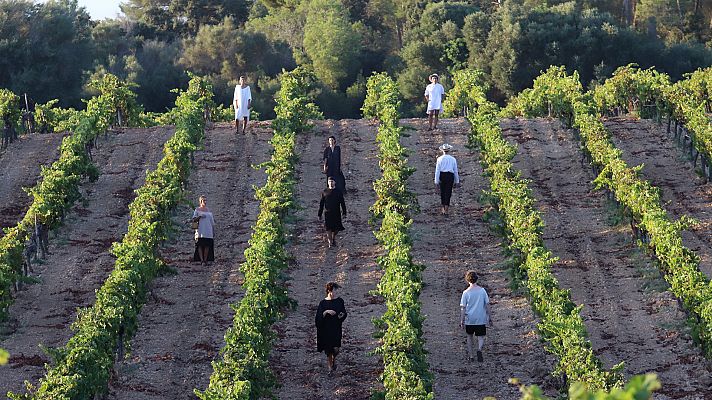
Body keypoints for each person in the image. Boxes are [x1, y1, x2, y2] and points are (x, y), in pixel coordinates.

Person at [315, 282, 347, 375]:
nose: (335, 293)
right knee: (328, 348)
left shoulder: (340, 301)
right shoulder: (323, 303)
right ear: (329, 291)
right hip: (326, 329)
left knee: (336, 348)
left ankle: (333, 360)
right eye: (334, 291)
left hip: (336, 327)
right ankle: (330, 367)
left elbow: (343, 313)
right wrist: (325, 312)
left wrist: (339, 315)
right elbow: (318, 318)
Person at [460, 270, 491, 362]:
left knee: (469, 337)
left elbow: (463, 308)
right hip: (481, 318)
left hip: (469, 319)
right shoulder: (482, 291)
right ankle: (479, 349)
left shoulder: (466, 293)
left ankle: (471, 356)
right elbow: (487, 305)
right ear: (477, 279)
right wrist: (490, 317)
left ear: (467, 280)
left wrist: (462, 320)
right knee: (480, 337)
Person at [318, 176, 347, 248]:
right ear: (327, 182)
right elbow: (321, 204)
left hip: (336, 212)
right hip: (327, 213)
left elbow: (342, 203)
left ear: (335, 182)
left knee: (337, 228)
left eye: (332, 181)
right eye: (329, 181)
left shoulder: (338, 192)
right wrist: (319, 214)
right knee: (328, 228)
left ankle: (333, 238)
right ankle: (330, 241)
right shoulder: (324, 192)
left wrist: (344, 213)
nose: (331, 183)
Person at [434, 143, 460, 215]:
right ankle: (446, 209)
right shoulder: (453, 159)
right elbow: (455, 170)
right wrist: (457, 181)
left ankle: (443, 208)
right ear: (449, 150)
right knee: (448, 192)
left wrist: (436, 181)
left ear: (442, 150)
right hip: (450, 176)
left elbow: (437, 171)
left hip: (442, 175)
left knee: (442, 191)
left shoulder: (439, 159)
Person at [192, 195, 215, 266]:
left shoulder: (208, 210)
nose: (205, 202)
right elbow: (193, 220)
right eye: (203, 200)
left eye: (205, 200)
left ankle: (205, 259)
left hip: (208, 230)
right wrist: (199, 217)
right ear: (200, 201)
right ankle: (201, 260)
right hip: (200, 230)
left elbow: (212, 222)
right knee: (200, 245)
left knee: (207, 245)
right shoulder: (197, 210)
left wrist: (213, 231)